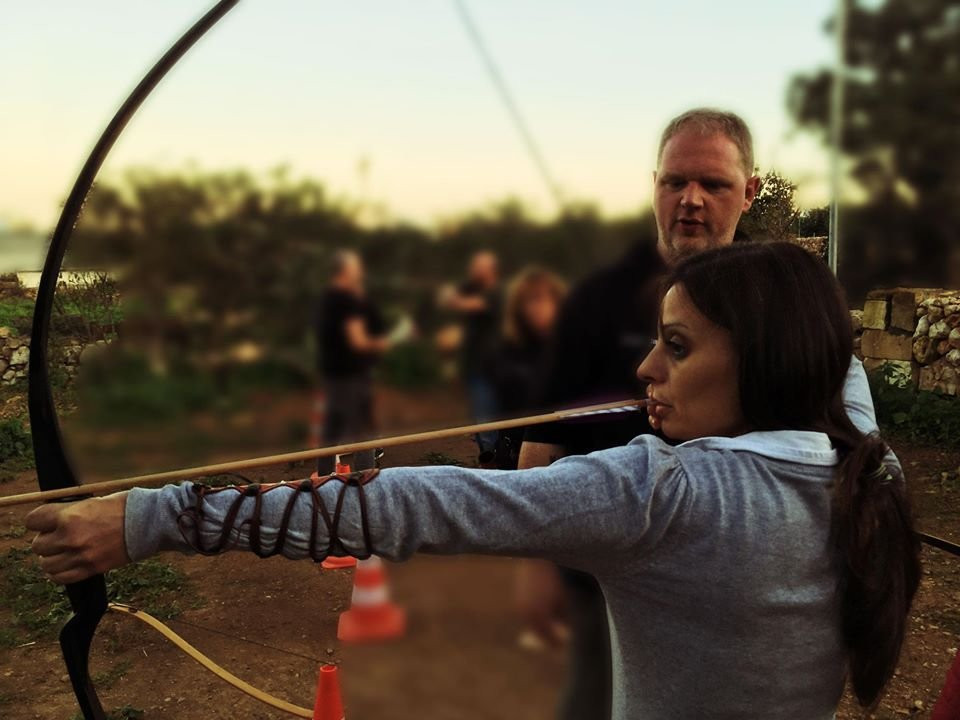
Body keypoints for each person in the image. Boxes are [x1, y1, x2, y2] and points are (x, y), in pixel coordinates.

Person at [27, 242, 921, 719]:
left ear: (766, 361)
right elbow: (835, 368)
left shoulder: (667, 494)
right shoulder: (868, 464)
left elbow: (414, 503)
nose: (647, 368)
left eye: (677, 347)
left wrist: (150, 517)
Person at [514, 107, 873, 720]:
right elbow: (542, 442)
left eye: (714, 184)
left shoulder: (786, 301)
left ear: (750, 192)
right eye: (674, 181)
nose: (691, 200)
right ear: (653, 184)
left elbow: (855, 445)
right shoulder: (596, 302)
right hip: (601, 573)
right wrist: (533, 565)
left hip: (743, 591)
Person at [315, 250, 391, 474]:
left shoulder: (328, 298)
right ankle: (364, 484)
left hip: (333, 375)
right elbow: (358, 341)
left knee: (330, 433)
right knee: (363, 436)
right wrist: (381, 344)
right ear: (346, 271)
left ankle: (323, 482)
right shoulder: (347, 301)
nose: (360, 273)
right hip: (351, 376)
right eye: (357, 269)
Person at [491, 267, 567, 470]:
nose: (539, 308)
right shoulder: (509, 351)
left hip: (563, 457)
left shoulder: (572, 348)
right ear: (518, 308)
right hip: (516, 454)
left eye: (545, 299)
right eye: (530, 301)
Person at [438, 250, 502, 465]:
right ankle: (489, 458)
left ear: (490, 269)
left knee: (488, 419)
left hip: (494, 368)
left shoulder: (497, 293)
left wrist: (451, 297)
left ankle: (494, 461)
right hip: (476, 366)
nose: (473, 271)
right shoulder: (473, 290)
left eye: (478, 267)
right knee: (481, 417)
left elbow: (467, 304)